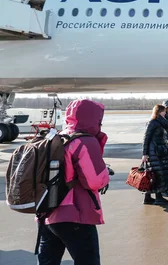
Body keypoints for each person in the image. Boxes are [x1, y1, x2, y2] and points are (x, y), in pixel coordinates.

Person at [37, 99, 110, 265]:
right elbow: (95, 181)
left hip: (47, 211)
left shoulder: (57, 137)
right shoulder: (85, 140)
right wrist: (106, 173)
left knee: (48, 261)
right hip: (75, 214)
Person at [141, 104, 168, 206]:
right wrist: (145, 153)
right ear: (159, 112)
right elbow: (146, 138)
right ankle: (158, 197)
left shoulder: (160, 122)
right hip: (154, 153)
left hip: (159, 152)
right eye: (163, 111)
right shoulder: (153, 123)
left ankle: (148, 197)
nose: (165, 112)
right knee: (157, 175)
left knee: (154, 175)